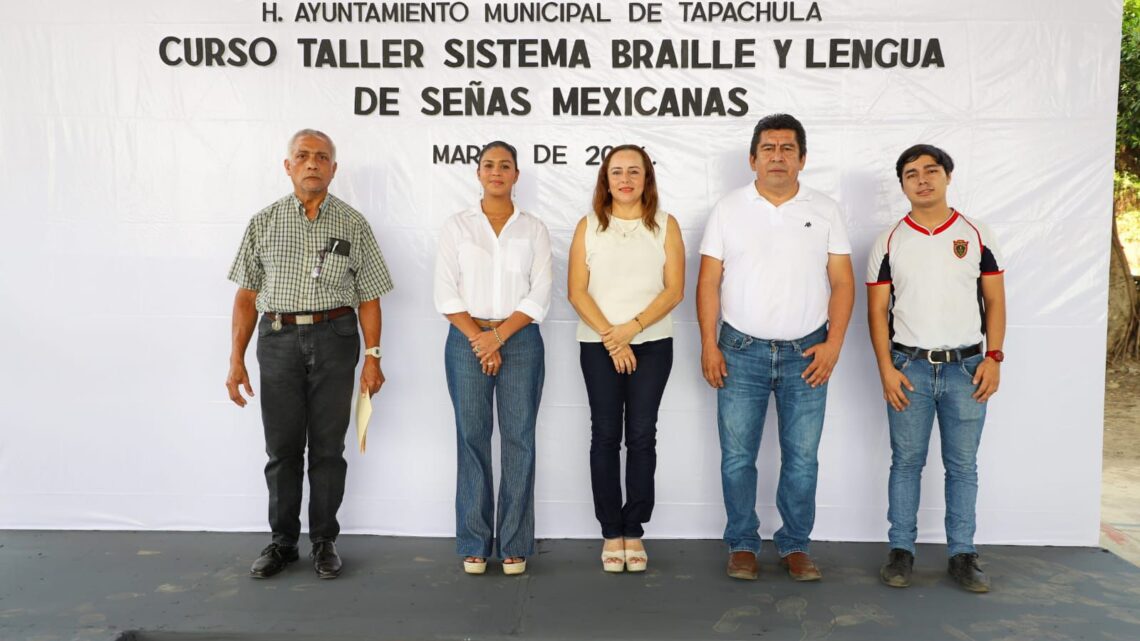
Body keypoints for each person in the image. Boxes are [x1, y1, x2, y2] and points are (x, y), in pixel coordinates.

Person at [225, 129, 394, 580]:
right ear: (288, 166)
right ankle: (282, 543)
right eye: (303, 156)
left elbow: (371, 296)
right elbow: (245, 297)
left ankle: (323, 541)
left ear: (334, 169)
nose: (312, 163)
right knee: (281, 449)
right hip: (277, 339)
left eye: (322, 157)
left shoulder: (353, 223)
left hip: (335, 337)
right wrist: (236, 358)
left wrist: (373, 357)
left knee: (328, 449)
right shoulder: (263, 222)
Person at [697, 114, 855, 581]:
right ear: (753, 158)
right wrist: (709, 344)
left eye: (788, 148)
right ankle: (742, 544)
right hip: (739, 350)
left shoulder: (825, 209)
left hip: (807, 353)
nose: (778, 156)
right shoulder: (728, 209)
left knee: (802, 457)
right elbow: (708, 281)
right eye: (769, 148)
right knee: (737, 456)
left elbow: (843, 282)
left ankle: (795, 545)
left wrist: (834, 346)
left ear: (802, 158)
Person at [866, 144, 1006, 593]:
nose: (922, 179)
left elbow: (995, 300)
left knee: (962, 466)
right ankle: (901, 552)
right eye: (911, 174)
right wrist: (886, 368)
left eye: (931, 171)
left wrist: (994, 357)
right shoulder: (889, 240)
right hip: (910, 368)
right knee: (905, 463)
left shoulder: (976, 233)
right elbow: (877, 312)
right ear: (903, 184)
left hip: (967, 368)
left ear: (948, 176)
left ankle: (962, 555)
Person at [433, 141, 552, 576]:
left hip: (519, 340)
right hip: (466, 337)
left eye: (506, 165)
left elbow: (540, 293)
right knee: (472, 437)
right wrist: (480, 339)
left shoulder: (533, 228)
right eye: (489, 165)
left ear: (517, 175)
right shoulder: (457, 226)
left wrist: (498, 337)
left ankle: (516, 542)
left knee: (520, 439)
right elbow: (445, 292)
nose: (497, 171)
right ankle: (474, 541)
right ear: (478, 173)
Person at [567, 145, 685, 573]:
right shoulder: (589, 227)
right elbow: (577, 290)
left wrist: (630, 331)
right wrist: (612, 339)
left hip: (652, 345)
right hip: (598, 345)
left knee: (641, 436)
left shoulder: (666, 226)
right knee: (604, 436)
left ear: (647, 178)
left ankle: (633, 528)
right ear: (606, 179)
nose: (625, 179)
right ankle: (609, 531)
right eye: (617, 171)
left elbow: (674, 290)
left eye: (634, 171)